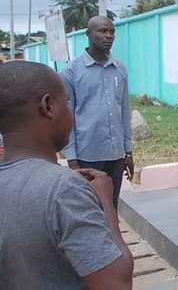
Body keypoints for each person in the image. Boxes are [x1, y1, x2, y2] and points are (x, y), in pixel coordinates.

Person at [0, 61, 134, 289]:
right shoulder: (64, 190)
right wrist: (105, 203)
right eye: (68, 102)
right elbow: (117, 284)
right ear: (48, 106)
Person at [63, 16, 133, 209]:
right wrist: (72, 159)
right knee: (90, 209)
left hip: (116, 155)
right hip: (88, 155)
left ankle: (112, 239)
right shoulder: (71, 72)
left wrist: (128, 151)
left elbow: (124, 110)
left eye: (112, 31)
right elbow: (68, 117)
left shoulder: (120, 70)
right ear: (88, 34)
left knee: (112, 206)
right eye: (102, 31)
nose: (108, 36)